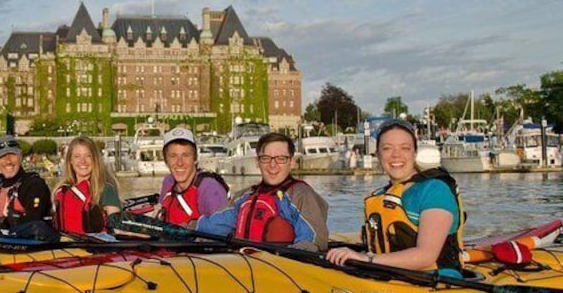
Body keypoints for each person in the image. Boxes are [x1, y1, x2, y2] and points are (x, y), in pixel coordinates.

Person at [326, 119, 465, 277]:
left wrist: (366, 258)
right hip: (392, 278)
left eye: (405, 148)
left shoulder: (435, 190)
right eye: (387, 148)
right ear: (378, 155)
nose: (396, 155)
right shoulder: (380, 196)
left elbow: (426, 256)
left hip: (436, 281)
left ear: (415, 153)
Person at [197, 132, 329, 252]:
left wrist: (288, 257)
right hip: (244, 266)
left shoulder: (301, 195)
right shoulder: (245, 197)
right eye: (266, 158)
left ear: (292, 162)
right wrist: (183, 228)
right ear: (257, 162)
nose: (273, 165)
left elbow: (313, 240)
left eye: (281, 158)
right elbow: (213, 225)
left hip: (279, 269)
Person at [157, 127, 229, 226]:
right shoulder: (168, 182)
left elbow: (223, 230)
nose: (180, 163)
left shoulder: (210, 189)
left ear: (195, 159)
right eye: (173, 156)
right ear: (166, 161)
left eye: (186, 155)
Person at [53, 136, 122, 235]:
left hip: (96, 245)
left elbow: (118, 228)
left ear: (95, 160)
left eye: (88, 156)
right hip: (65, 243)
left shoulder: (105, 189)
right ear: (70, 161)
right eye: (77, 156)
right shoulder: (61, 190)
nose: (83, 161)